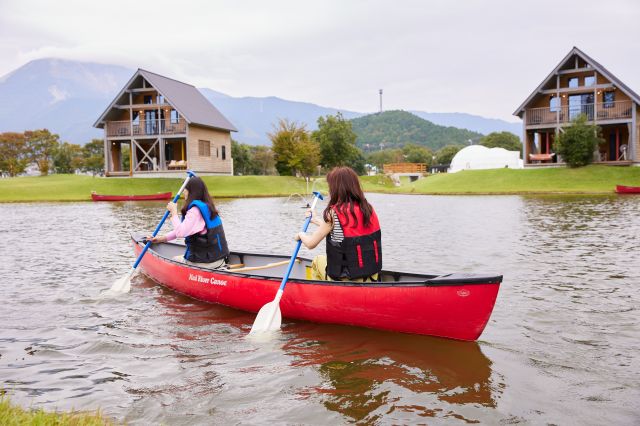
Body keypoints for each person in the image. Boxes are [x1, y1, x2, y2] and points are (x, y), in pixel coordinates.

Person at [296, 166, 382, 282]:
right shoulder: (367, 209)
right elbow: (342, 230)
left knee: (317, 260)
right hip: (372, 276)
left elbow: (311, 244)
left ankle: (323, 295)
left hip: (347, 279)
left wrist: (301, 235)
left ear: (336, 188)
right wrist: (315, 219)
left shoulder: (333, 213)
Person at [149, 176, 229, 268]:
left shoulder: (195, 211)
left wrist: (174, 213)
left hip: (204, 263)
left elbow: (181, 232)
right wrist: (160, 239)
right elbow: (185, 229)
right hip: (219, 260)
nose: (183, 192)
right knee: (180, 257)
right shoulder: (207, 207)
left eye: (185, 189)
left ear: (191, 191)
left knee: (174, 259)